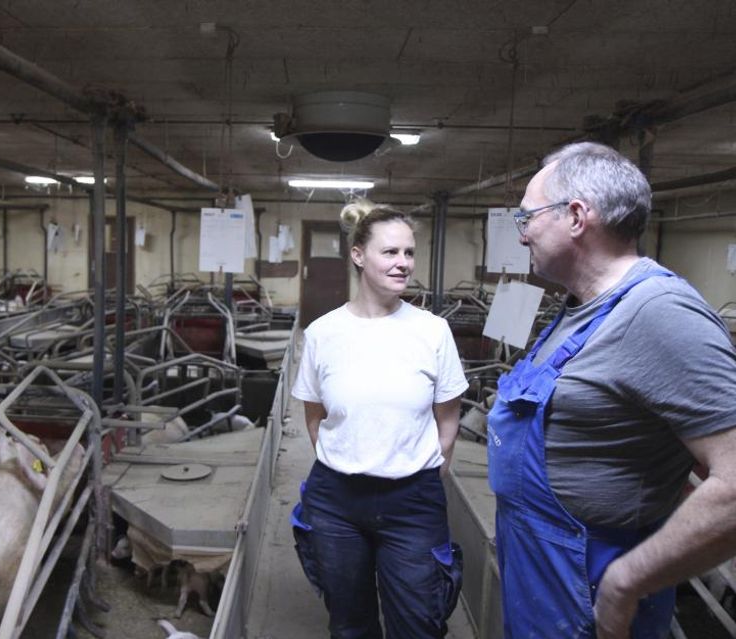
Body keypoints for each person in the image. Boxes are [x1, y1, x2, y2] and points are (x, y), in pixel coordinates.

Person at [488, 141, 736, 639]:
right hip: (539, 570)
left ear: (577, 216)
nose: (522, 236)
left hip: (588, 584)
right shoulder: (580, 306)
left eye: (527, 218)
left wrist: (626, 581)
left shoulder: (658, 313)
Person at [290, 199, 468, 639]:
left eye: (409, 253)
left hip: (413, 499)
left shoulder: (432, 330)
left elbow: (449, 415)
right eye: (390, 252)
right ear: (358, 255)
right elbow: (315, 414)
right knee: (350, 624)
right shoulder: (323, 333)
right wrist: (346, 457)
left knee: (418, 623)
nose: (403, 263)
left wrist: (427, 470)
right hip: (336, 499)